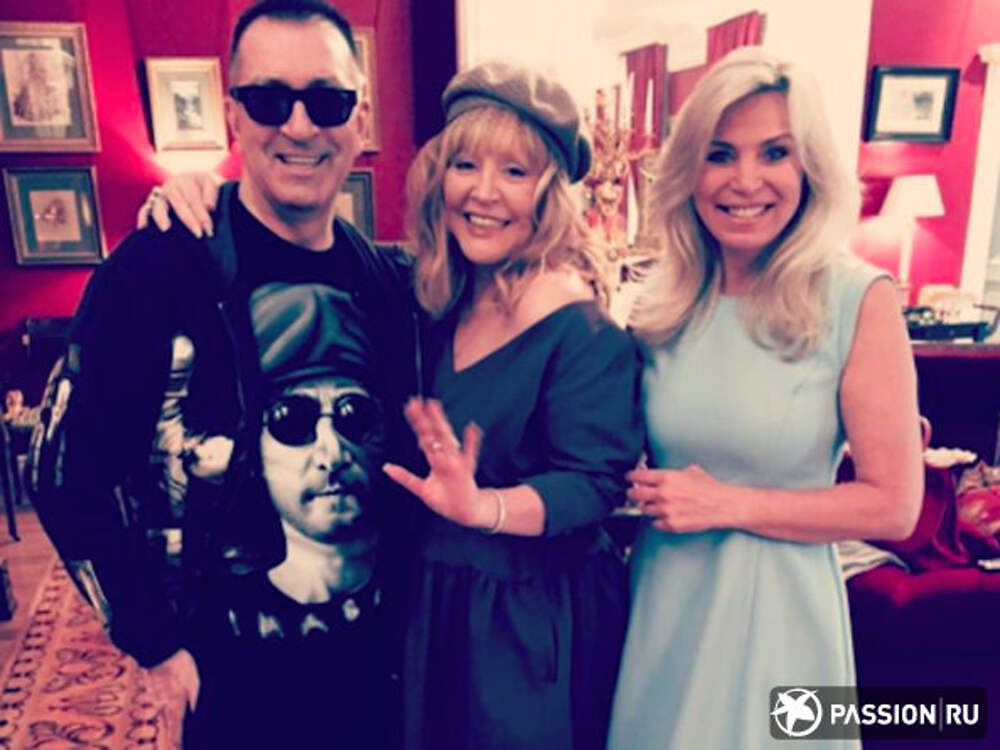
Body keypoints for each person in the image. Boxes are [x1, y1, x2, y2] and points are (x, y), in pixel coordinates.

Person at [143, 62, 645, 750]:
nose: (484, 192)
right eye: (465, 164)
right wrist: (202, 190)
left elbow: (595, 482)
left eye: (515, 172)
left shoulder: (582, 330)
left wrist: (487, 508)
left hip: (527, 617)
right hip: (429, 601)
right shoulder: (428, 292)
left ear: (549, 195)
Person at [27, 2, 415, 748]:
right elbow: (61, 468)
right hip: (235, 689)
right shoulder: (160, 267)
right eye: (269, 100)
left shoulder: (386, 281)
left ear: (359, 119)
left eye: (327, 101)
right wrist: (152, 641)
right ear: (234, 115)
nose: (299, 126)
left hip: (379, 676)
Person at [606, 46, 923, 750]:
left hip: (785, 617)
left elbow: (894, 506)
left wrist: (729, 504)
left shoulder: (856, 297)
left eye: (774, 152)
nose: (745, 180)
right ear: (689, 172)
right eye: (719, 154)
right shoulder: (660, 304)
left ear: (808, 167)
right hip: (664, 606)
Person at [188, 283, 390, 749]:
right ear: (253, 448)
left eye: (354, 414)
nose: (332, 453)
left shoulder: (424, 583)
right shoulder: (223, 609)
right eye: (291, 419)